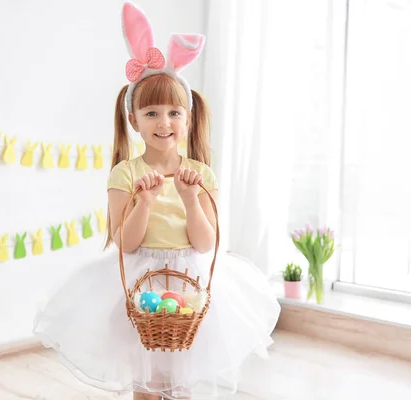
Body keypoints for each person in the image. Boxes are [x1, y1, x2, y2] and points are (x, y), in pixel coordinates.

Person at [33, 2, 280, 399]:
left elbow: (206, 243)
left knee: (181, 379)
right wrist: (143, 203)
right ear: (134, 120)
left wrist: (190, 199)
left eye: (173, 113)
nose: (164, 123)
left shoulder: (200, 174)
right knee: (147, 380)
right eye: (151, 112)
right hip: (139, 278)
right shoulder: (125, 174)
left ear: (187, 118)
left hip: (191, 279)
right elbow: (124, 243)